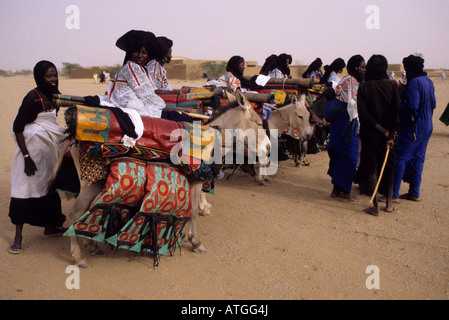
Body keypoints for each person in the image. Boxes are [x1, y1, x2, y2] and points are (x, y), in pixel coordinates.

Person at [8, 60, 67, 254]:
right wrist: (26, 157)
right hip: (31, 153)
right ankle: (18, 238)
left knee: (48, 187)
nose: (52, 80)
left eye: (54, 75)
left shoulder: (54, 96)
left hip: (46, 152)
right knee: (25, 189)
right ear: (39, 77)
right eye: (48, 76)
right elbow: (18, 128)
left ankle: (50, 227)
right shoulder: (32, 98)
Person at [356, 55, 400, 215]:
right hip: (389, 136)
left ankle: (375, 207)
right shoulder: (393, 85)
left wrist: (381, 129)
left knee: (371, 168)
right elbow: (396, 111)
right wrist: (391, 133)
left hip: (370, 134)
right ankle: (388, 203)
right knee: (388, 167)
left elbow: (363, 114)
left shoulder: (364, 87)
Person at [393, 55, 436, 202]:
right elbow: (434, 103)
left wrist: (397, 107)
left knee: (401, 158)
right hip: (427, 126)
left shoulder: (414, 83)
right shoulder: (428, 81)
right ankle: (414, 192)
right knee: (418, 159)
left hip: (414, 127)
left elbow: (412, 105)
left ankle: (394, 194)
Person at [324, 55, 365, 202]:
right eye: (363, 67)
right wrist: (357, 125)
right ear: (356, 67)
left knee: (338, 155)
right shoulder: (352, 82)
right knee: (350, 157)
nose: (364, 70)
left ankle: (336, 190)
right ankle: (346, 193)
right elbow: (353, 106)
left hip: (338, 124)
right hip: (347, 124)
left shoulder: (344, 79)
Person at [104, 29, 165, 118]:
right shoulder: (131, 67)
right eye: (136, 51)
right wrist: (164, 106)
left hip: (139, 108)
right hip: (135, 110)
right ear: (131, 53)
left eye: (144, 53)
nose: (139, 55)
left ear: (148, 55)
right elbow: (147, 96)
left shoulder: (142, 69)